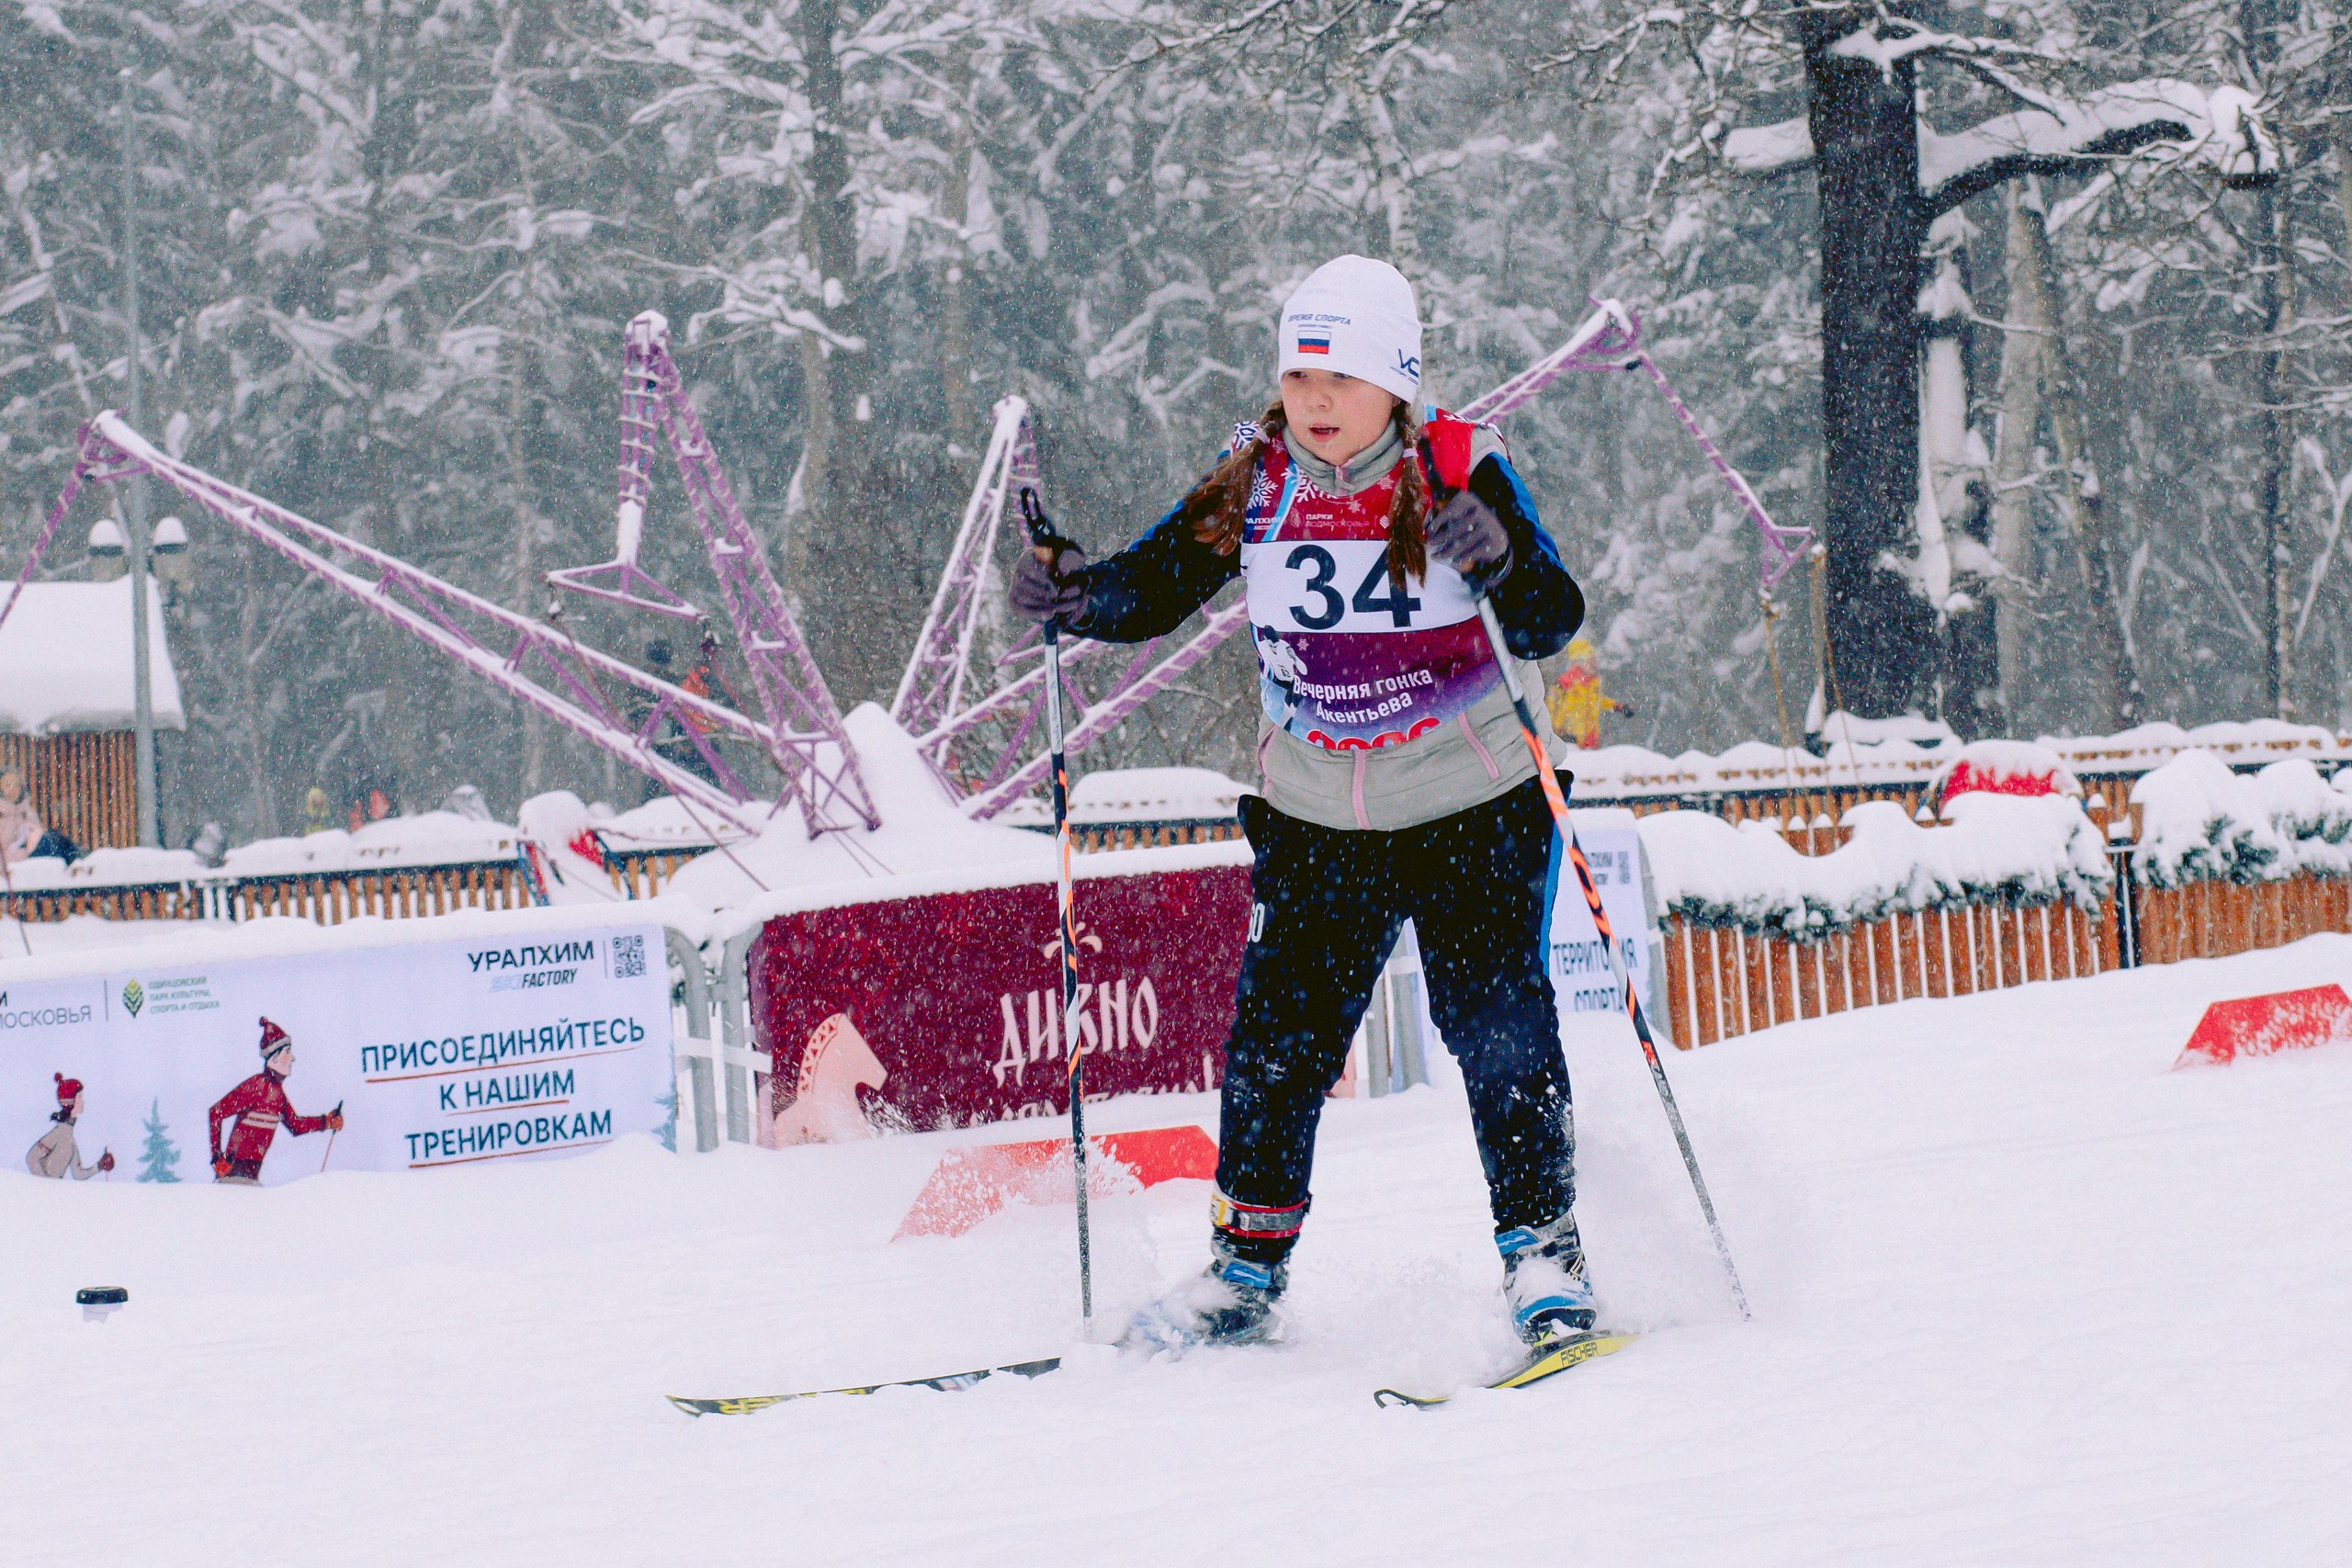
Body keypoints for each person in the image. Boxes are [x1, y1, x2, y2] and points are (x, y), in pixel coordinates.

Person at [1010, 254, 1591, 1350]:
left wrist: (1503, 559)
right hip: (1321, 813)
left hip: (1472, 801)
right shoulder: (1257, 474)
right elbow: (1156, 587)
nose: (1316, 402)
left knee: (1497, 1031)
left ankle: (1543, 1258)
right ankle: (1244, 1271)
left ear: (1396, 384)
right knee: (1278, 1044)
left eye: (1342, 379)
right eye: (1298, 377)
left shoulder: (1459, 462)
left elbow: (1551, 616)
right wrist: (1075, 592)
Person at [208, 1018, 343, 1185]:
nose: (292, 1058)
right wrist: (217, 1158)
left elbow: (295, 1125)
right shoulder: (256, 1086)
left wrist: (327, 1122)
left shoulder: (277, 1095)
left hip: (250, 1178)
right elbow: (216, 1112)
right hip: (234, 1178)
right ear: (274, 1058)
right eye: (287, 1052)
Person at [25, 1074, 114, 1179]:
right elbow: (31, 1158)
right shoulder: (58, 1134)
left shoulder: (69, 1139)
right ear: (70, 1101)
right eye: (80, 1096)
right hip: (44, 1193)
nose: (83, 1101)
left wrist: (99, 1166)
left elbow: (78, 1175)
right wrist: (44, 1184)